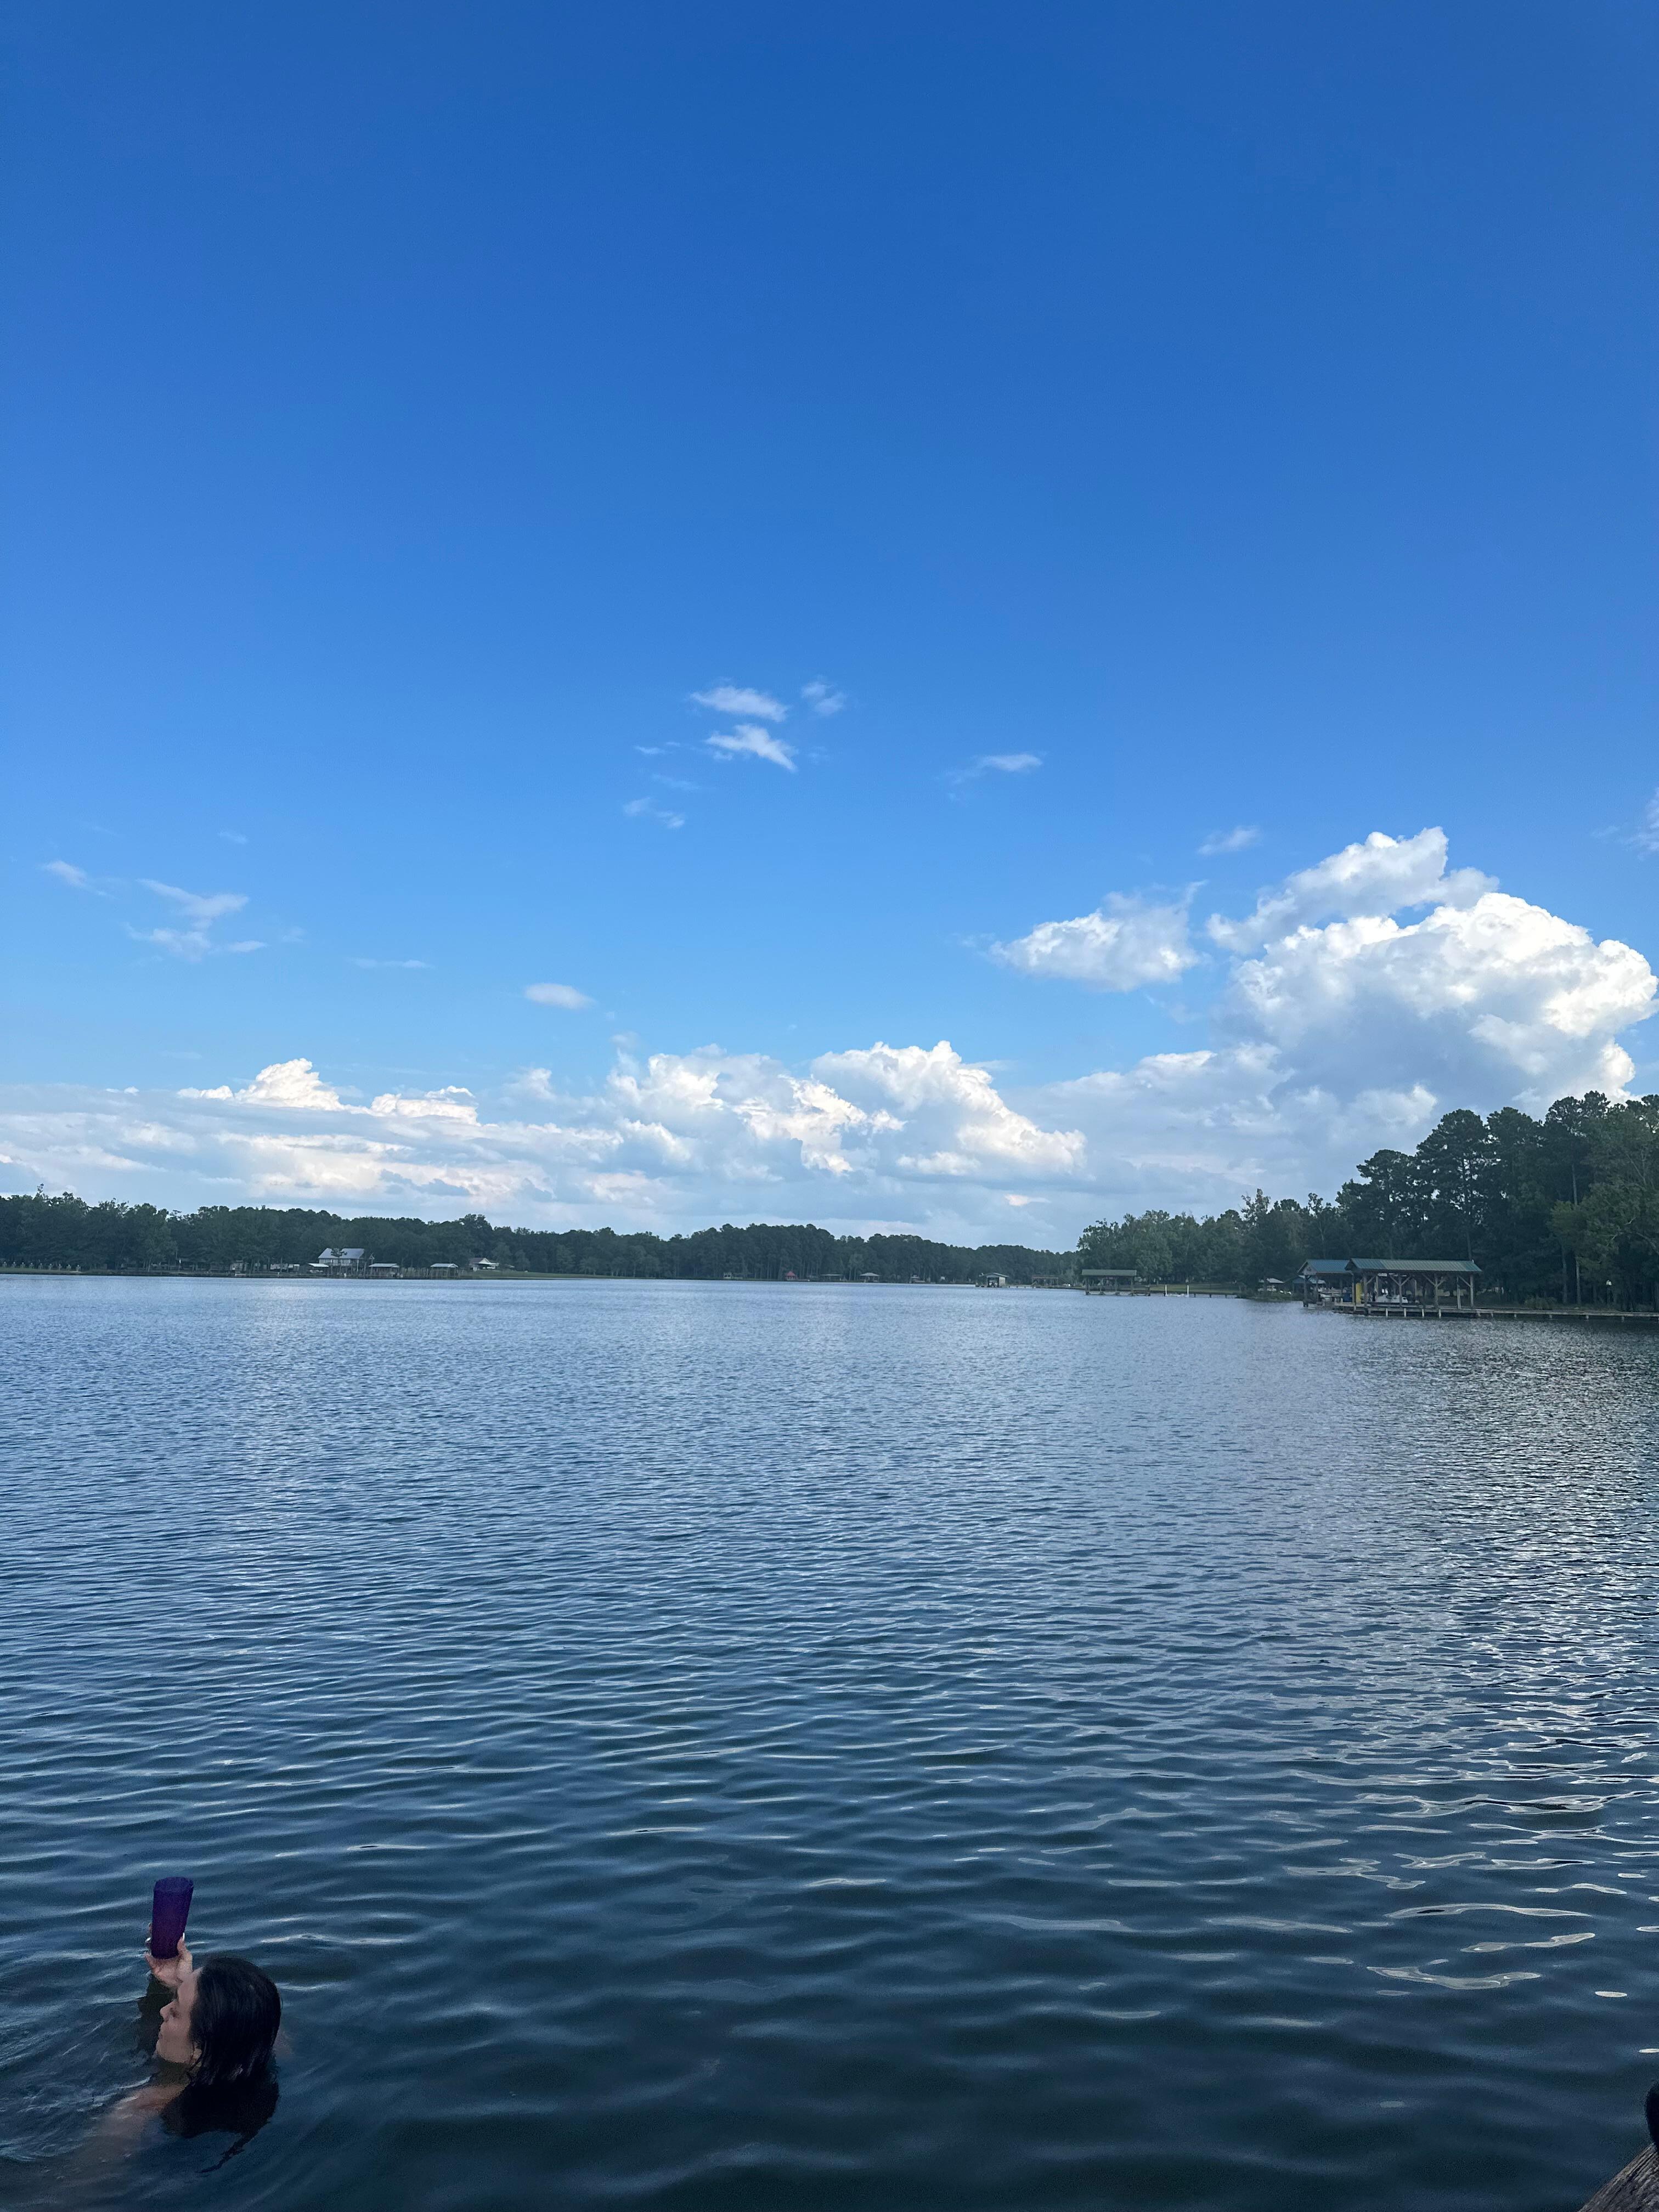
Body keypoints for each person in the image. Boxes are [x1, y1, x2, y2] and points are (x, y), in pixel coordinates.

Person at [92, 1938, 282, 2164]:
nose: (163, 2011)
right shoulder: (258, 2061)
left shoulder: (141, 2109)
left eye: (175, 2012)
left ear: (199, 2049)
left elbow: (80, 2189)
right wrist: (181, 1987)